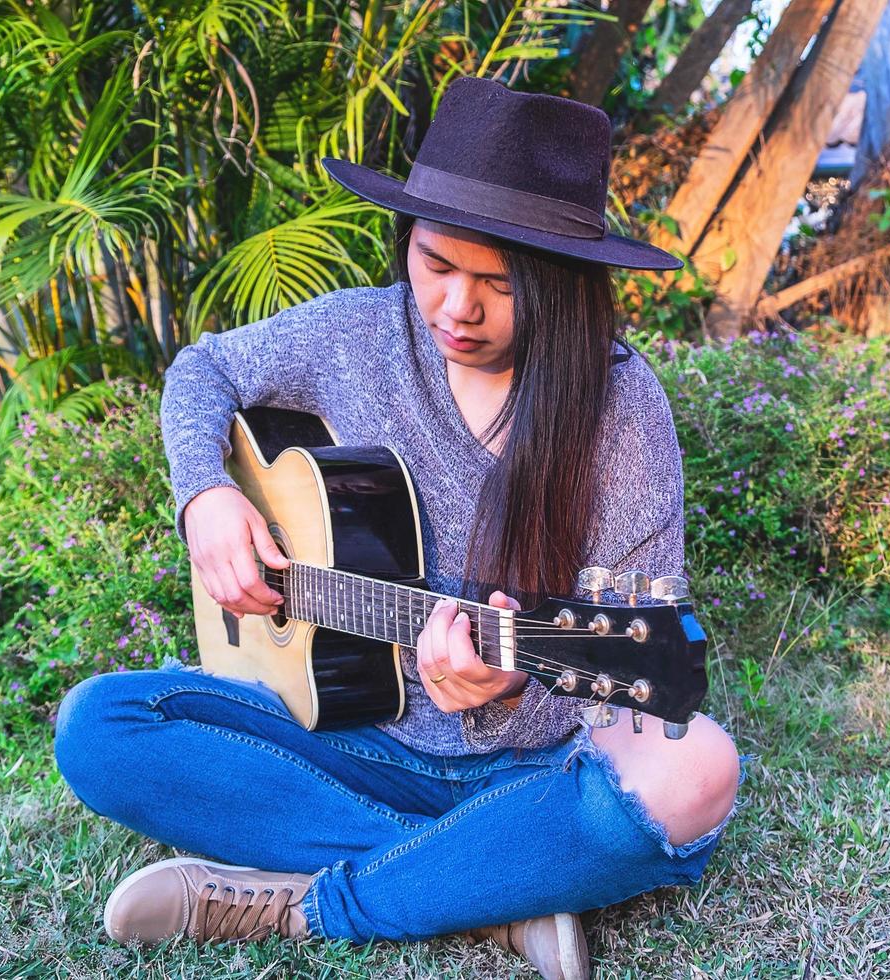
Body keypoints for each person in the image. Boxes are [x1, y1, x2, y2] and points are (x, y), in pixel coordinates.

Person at [53, 75, 741, 980]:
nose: (456, 307)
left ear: (565, 283)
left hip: (531, 777)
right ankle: (488, 891)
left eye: (497, 283)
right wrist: (205, 497)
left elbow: (631, 687)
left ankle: (318, 905)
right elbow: (200, 372)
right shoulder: (357, 335)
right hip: (349, 742)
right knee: (101, 725)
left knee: (699, 774)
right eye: (435, 264)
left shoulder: (620, 408)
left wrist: (502, 699)